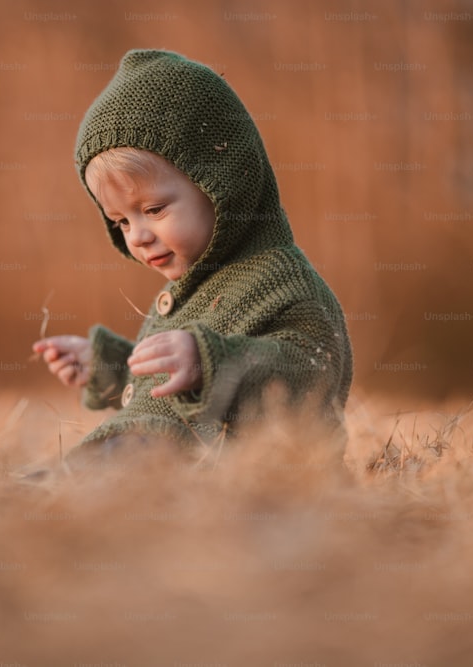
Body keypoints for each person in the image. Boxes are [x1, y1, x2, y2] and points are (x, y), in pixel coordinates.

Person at [33, 49, 352, 463]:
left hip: (239, 478)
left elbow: (311, 373)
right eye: (121, 222)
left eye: (153, 210)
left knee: (116, 460)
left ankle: (29, 493)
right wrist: (108, 364)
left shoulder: (282, 282)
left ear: (223, 183)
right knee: (105, 462)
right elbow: (166, 392)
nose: (138, 237)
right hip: (160, 458)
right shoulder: (197, 286)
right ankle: (16, 493)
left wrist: (213, 363)